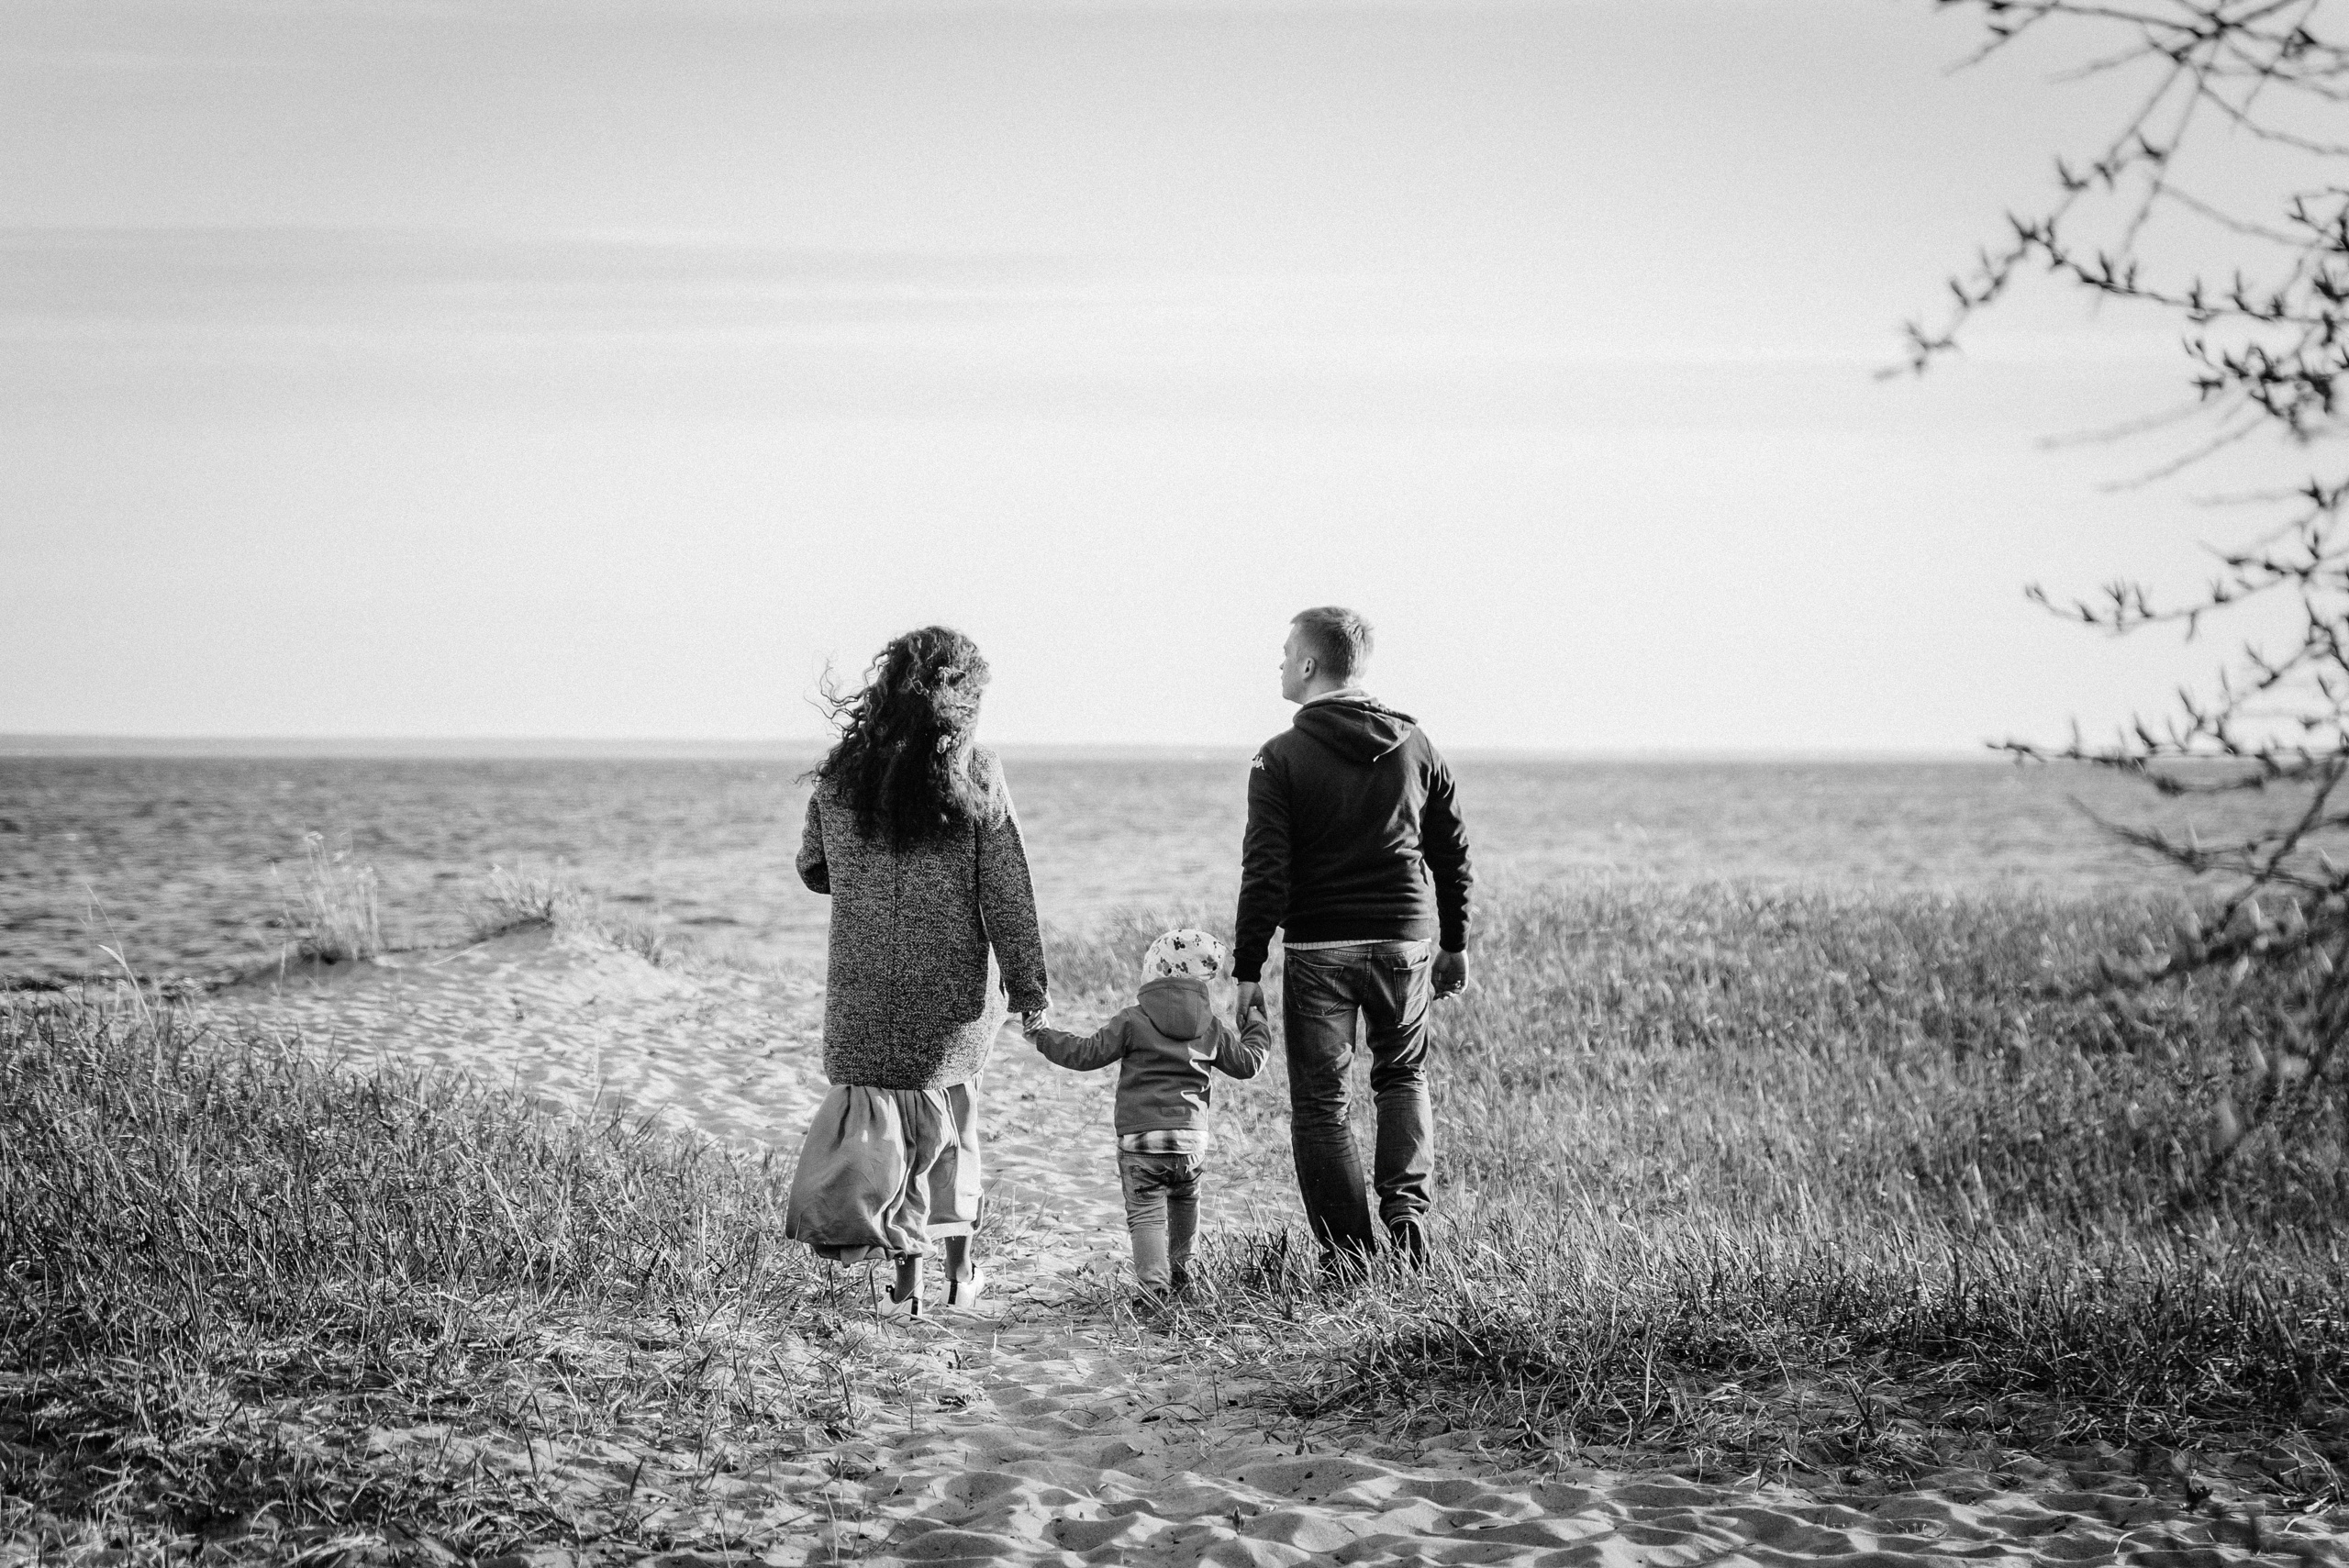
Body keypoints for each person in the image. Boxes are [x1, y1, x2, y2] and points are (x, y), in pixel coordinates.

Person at [784, 626, 1050, 1317]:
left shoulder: (841, 776)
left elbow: (814, 868)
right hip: (951, 1001)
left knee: (895, 1142)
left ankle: (908, 1286)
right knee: (952, 1135)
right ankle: (961, 1278)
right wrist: (1029, 990)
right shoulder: (978, 772)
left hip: (864, 998)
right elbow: (1007, 891)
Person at [1233, 606, 1473, 1268]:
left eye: (1286, 653)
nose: (1279, 663)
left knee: (1321, 1106)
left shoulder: (1278, 757)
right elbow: (1451, 850)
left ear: (1310, 665)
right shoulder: (1417, 744)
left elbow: (1266, 870)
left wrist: (1247, 967)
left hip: (1318, 949)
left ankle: (1348, 1256)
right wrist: (1453, 941)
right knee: (1403, 1074)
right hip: (1404, 938)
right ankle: (1407, 1219)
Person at [1023, 928, 1270, 1310]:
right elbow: (1249, 1064)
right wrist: (1256, 1021)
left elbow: (1086, 1054)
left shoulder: (1133, 1020)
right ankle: (1185, 1277)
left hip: (1141, 1141)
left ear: (1153, 972)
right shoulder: (1212, 1028)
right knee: (1186, 1201)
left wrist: (1043, 1037)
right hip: (1190, 1140)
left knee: (1147, 1215)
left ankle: (1155, 1291)